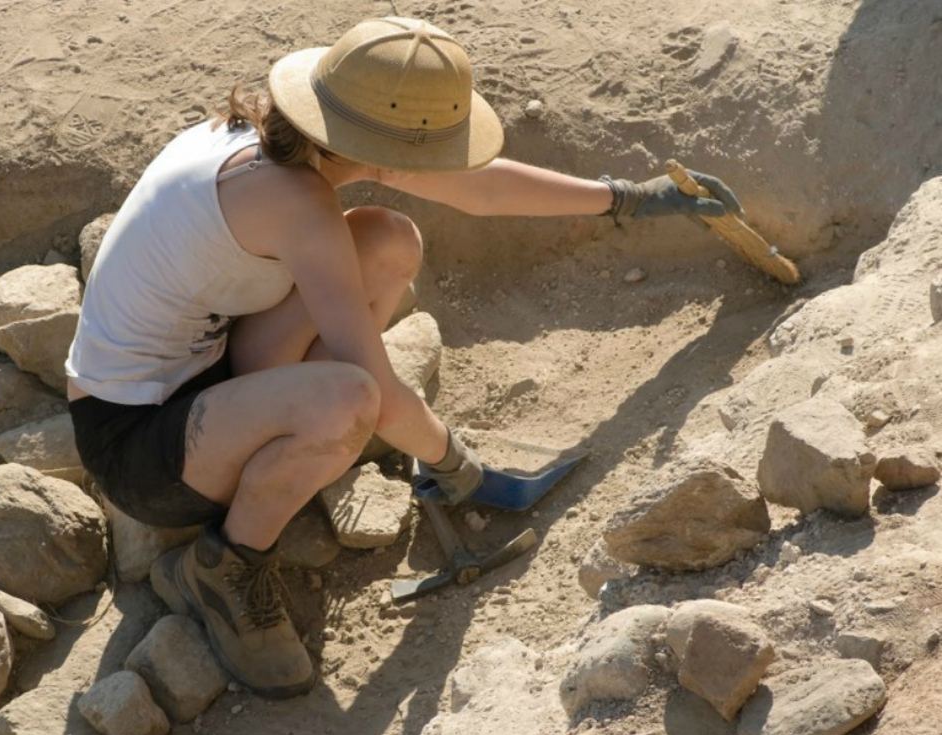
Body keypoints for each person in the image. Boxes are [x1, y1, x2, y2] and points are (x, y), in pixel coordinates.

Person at [65, 16, 742, 698]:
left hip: (205, 376)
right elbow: (374, 383)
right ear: (385, 144)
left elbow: (483, 188)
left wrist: (627, 198)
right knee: (353, 399)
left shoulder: (283, 139)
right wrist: (458, 463)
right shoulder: (296, 203)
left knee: (387, 240)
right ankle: (228, 563)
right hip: (137, 445)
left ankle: (313, 440)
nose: (446, 157)